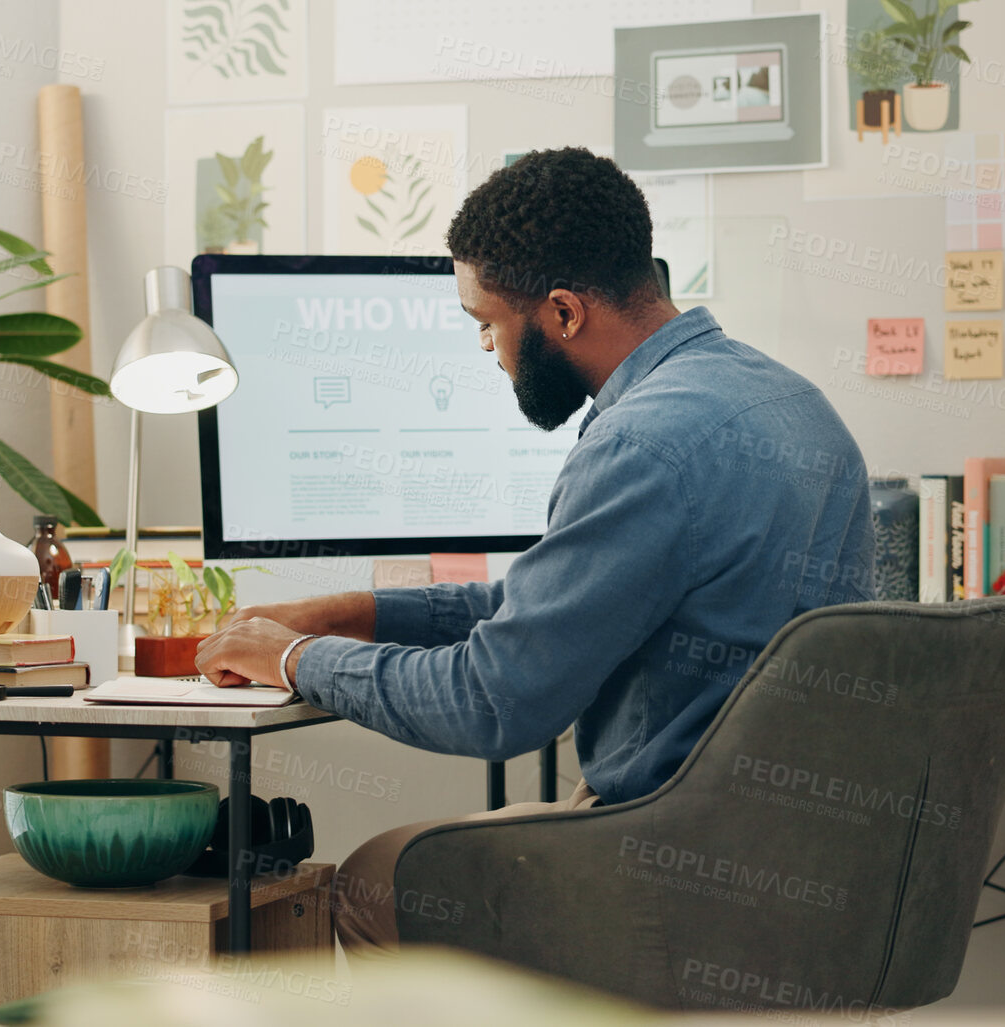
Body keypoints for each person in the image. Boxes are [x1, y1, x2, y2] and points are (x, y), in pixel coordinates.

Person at [195, 147, 874, 957]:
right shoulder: (793, 402)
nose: (487, 350)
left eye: (487, 323)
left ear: (561, 313)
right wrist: (354, 611)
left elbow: (492, 702)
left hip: (678, 860)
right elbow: (551, 606)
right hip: (803, 857)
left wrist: (299, 658)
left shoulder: (642, 444)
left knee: (373, 878)